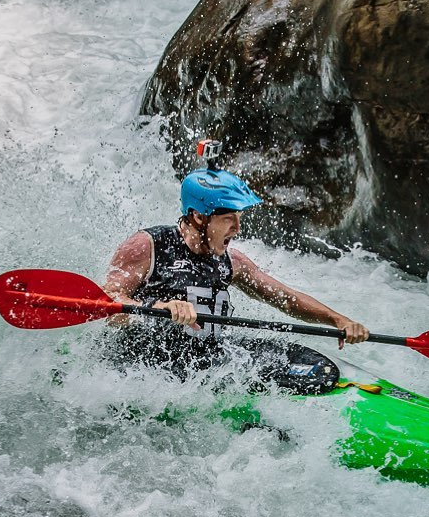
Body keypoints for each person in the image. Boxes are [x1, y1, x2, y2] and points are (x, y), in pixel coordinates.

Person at [102, 163, 369, 393]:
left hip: (207, 363)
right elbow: (108, 302)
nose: (238, 229)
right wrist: (159, 308)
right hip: (145, 370)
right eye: (229, 219)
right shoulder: (147, 246)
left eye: (239, 219)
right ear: (198, 216)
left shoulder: (231, 262)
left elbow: (287, 300)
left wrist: (338, 320)